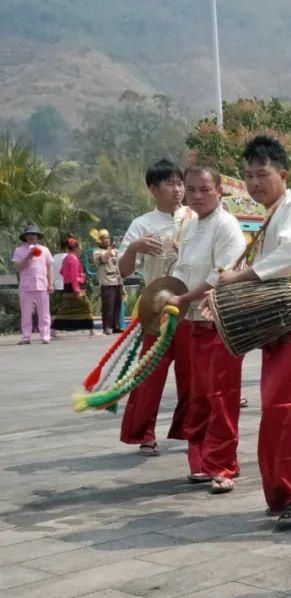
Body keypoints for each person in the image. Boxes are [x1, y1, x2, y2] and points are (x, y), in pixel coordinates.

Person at [212, 135, 291, 528]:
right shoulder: (274, 212)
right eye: (248, 176)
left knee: (280, 409)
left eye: (262, 174)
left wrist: (240, 276)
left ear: (284, 174)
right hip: (281, 324)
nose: (254, 183)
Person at [163, 166, 247, 493]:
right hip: (193, 321)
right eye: (191, 189)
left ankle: (223, 465)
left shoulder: (227, 226)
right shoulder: (189, 225)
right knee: (197, 394)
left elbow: (221, 274)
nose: (196, 195)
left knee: (221, 395)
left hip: (221, 321)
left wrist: (184, 296)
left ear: (219, 191)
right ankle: (200, 461)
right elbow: (183, 270)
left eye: (204, 189)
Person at [117, 159, 195, 457]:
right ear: (153, 189)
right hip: (156, 308)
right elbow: (123, 271)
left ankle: (189, 430)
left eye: (179, 183)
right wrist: (135, 248)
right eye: (170, 184)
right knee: (150, 373)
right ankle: (143, 434)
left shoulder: (195, 217)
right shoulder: (142, 225)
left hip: (190, 304)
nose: (178, 190)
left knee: (192, 373)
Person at [11, 224, 53, 345]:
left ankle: (45, 336)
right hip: (26, 285)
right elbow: (18, 267)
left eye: (34, 235)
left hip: (41, 284)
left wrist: (51, 283)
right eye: (29, 235)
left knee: (44, 312)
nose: (31, 237)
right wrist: (29, 256)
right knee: (26, 312)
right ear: (25, 237)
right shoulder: (19, 250)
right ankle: (26, 336)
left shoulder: (44, 250)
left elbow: (49, 266)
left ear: (37, 237)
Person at [52, 237, 96, 335]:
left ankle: (53, 330)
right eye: (79, 248)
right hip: (74, 287)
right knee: (86, 306)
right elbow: (73, 276)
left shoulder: (66, 258)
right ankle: (92, 330)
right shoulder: (73, 259)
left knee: (65, 309)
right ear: (75, 248)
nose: (80, 250)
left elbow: (62, 271)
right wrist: (77, 288)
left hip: (67, 286)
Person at [91, 229, 123, 334]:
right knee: (108, 306)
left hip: (117, 280)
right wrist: (110, 250)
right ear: (100, 240)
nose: (107, 240)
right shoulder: (97, 252)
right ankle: (107, 327)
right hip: (107, 281)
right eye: (105, 238)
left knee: (117, 305)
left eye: (108, 237)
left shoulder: (115, 251)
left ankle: (116, 326)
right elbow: (104, 259)